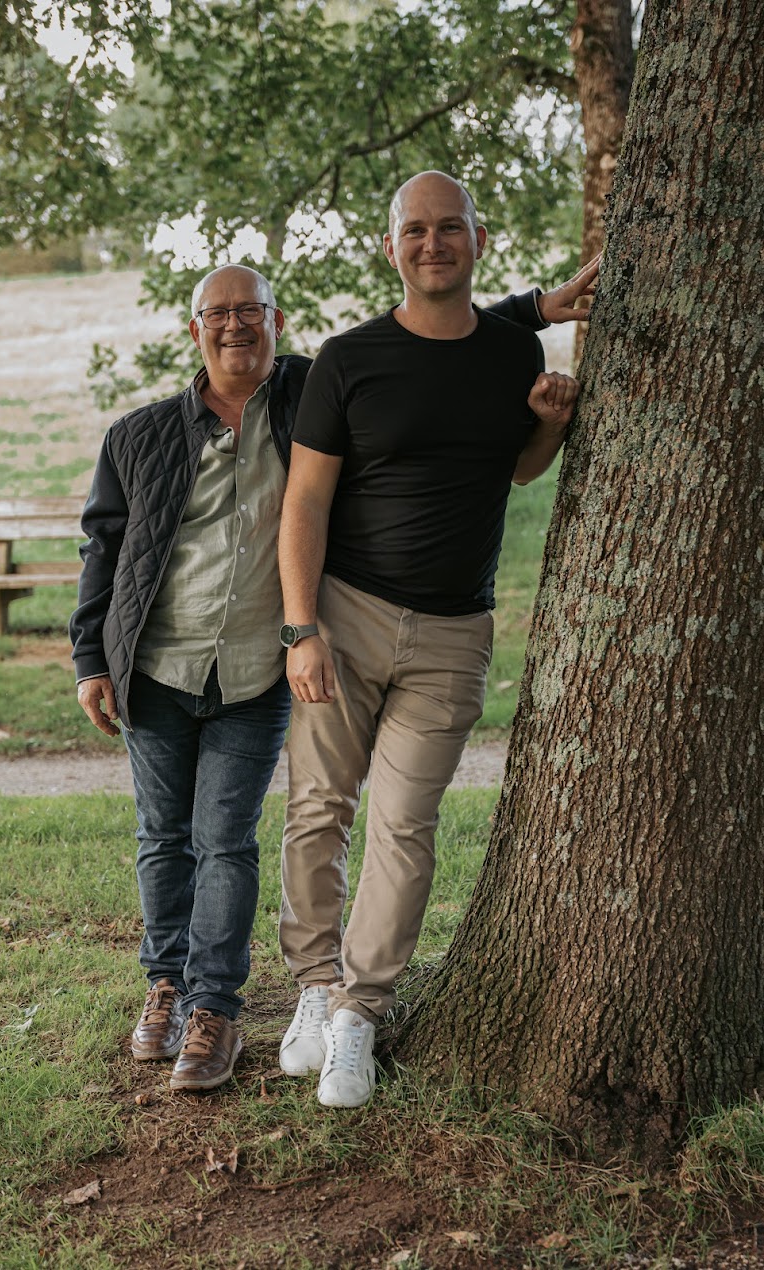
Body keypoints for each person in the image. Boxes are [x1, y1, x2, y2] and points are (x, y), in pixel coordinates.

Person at [70, 248, 595, 1093]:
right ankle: (166, 987)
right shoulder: (137, 437)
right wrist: (91, 655)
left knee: (228, 843)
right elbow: (104, 550)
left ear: (277, 324)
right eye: (218, 313)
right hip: (158, 668)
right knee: (163, 840)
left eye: (253, 311)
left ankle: (218, 1008)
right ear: (195, 329)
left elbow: (427, 340)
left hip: (254, 671)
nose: (236, 324)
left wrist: (532, 308)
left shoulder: (309, 393)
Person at [277, 171, 583, 1109]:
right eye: (416, 229)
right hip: (347, 613)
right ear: (391, 246)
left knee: (404, 826)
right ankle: (314, 988)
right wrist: (302, 629)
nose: (433, 243)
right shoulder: (347, 358)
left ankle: (360, 1015)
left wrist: (547, 428)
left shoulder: (510, 349)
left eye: (451, 228)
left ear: (478, 242)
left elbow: (518, 471)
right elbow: (304, 502)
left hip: (454, 629)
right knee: (318, 808)